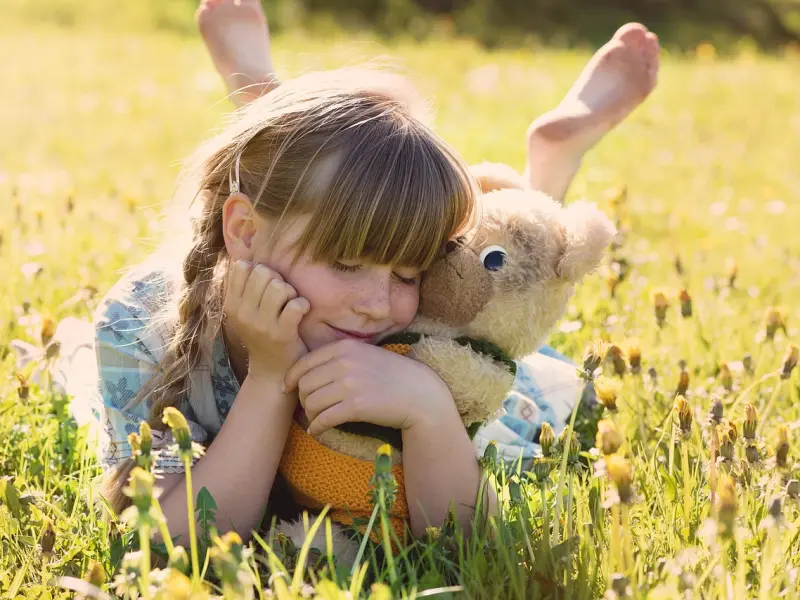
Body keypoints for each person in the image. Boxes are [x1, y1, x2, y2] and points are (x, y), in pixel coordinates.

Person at [196, 0, 659, 463]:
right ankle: (265, 104)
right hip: (270, 229)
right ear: (244, 230)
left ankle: (547, 174)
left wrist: (428, 405)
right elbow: (182, 527)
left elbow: (463, 527)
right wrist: (269, 377)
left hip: (457, 343)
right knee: (321, 177)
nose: (376, 306)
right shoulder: (146, 334)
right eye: (346, 263)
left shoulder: (424, 345)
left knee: (500, 275)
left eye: (408, 274)